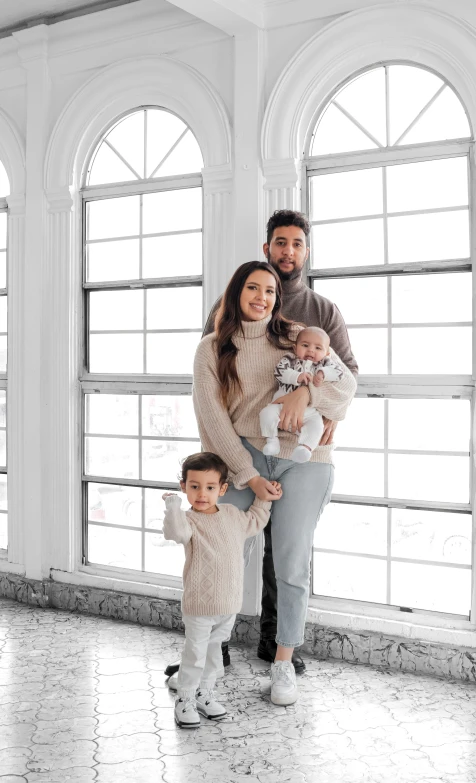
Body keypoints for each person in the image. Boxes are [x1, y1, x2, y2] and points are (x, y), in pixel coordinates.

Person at [164, 209, 358, 679]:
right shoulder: (213, 343)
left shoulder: (302, 331)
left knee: (290, 564)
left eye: (269, 291)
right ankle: (209, 653)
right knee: (218, 551)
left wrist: (312, 395)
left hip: (305, 459)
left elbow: (346, 381)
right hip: (244, 456)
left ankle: (282, 661)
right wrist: (246, 472)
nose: (263, 295)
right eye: (254, 287)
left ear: (304, 253)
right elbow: (210, 410)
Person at [162, 451, 275, 728]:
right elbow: (175, 533)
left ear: (222, 489)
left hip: (228, 604)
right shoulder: (189, 521)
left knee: (215, 654)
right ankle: (185, 698)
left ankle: (205, 692)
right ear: (184, 487)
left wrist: (264, 497)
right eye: (194, 486)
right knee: (195, 653)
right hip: (200, 604)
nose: (202, 493)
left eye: (210, 487)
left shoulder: (231, 515)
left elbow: (256, 520)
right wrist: (173, 508)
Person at [260, 326, 344, 462]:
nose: (311, 350)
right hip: (281, 406)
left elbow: (339, 373)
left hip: (310, 412)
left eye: (318, 348)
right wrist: (297, 376)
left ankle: (305, 448)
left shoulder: (326, 363)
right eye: (305, 345)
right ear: (295, 348)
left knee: (317, 426)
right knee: (266, 413)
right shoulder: (290, 359)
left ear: (327, 354)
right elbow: (279, 372)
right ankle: (272, 440)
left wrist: (323, 373)